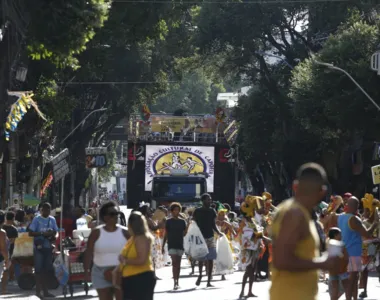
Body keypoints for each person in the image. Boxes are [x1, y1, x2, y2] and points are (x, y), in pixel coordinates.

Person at [269, 163, 340, 300]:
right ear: (323, 191)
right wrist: (323, 263)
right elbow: (281, 260)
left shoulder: (293, 210)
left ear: (295, 186)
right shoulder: (295, 214)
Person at [335, 196, 379, 300]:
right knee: (352, 280)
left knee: (354, 279)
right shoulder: (354, 219)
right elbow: (367, 234)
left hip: (344, 253)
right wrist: (375, 223)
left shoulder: (340, 217)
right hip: (353, 254)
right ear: (356, 206)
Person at [85, 201, 129, 300]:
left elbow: (134, 251)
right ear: (105, 217)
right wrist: (86, 271)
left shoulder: (125, 232)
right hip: (100, 272)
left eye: (117, 214)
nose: (116, 216)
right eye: (113, 214)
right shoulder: (96, 233)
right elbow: (88, 252)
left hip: (120, 271)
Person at [119, 211, 156, 300]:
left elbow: (141, 259)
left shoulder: (142, 238)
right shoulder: (132, 238)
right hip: (130, 278)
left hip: (140, 278)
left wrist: (125, 260)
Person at [28, 202, 58, 298]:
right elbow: (30, 233)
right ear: (41, 210)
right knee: (38, 270)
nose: (46, 211)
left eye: (48, 209)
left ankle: (45, 291)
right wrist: (42, 233)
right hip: (39, 248)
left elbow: (56, 232)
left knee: (46, 270)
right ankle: (38, 292)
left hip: (48, 247)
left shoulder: (52, 219)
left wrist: (53, 235)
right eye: (44, 209)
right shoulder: (36, 219)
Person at [192, 193, 223, 287]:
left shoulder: (212, 211)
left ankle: (209, 281)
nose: (210, 201)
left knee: (210, 259)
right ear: (203, 201)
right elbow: (194, 224)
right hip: (200, 237)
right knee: (201, 258)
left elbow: (213, 225)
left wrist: (218, 232)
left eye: (210, 199)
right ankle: (201, 275)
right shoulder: (197, 211)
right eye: (208, 199)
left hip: (210, 237)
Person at [162, 202, 187, 290]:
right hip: (171, 244)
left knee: (178, 264)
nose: (176, 211)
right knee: (174, 263)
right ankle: (175, 282)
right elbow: (166, 234)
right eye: (175, 210)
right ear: (172, 211)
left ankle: (178, 281)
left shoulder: (182, 221)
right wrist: (163, 246)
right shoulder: (168, 221)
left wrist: (186, 222)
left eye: (178, 210)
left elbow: (184, 234)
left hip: (180, 244)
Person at [327, 227, 349, 300]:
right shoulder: (340, 245)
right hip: (342, 270)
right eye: (340, 234)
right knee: (347, 288)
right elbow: (345, 257)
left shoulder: (327, 244)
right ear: (335, 235)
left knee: (335, 289)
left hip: (332, 271)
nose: (341, 236)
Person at [1, 211, 18, 290]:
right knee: (6, 270)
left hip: (4, 253)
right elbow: (10, 243)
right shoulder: (12, 230)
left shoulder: (3, 228)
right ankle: (4, 289)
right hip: (5, 253)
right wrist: (7, 259)